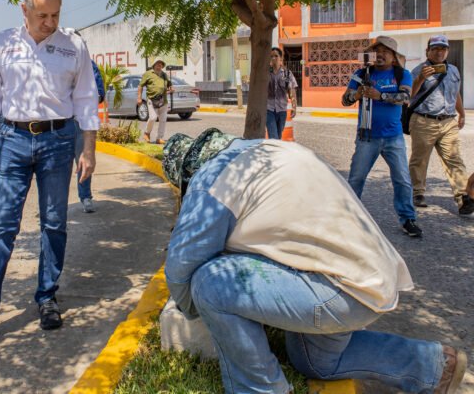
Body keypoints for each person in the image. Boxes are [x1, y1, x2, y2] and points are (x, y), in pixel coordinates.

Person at [162, 128, 468, 394]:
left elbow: (182, 265)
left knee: (210, 283)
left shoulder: (210, 179)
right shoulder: (272, 150)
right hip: (368, 283)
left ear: (190, 172)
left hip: (335, 288)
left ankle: (259, 389)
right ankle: (433, 366)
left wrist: (194, 312)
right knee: (316, 363)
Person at [0, 0, 99, 342]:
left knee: (53, 223)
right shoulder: (4, 43)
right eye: (42, 15)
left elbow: (86, 99)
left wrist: (89, 150)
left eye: (56, 14)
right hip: (12, 140)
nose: (50, 22)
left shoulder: (73, 45)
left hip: (58, 140)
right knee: (1, 226)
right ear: (24, 10)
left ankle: (47, 297)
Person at [341, 36, 422, 237]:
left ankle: (408, 219)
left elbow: (405, 98)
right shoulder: (361, 74)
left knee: (402, 179)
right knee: (356, 178)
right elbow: (345, 100)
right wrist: (357, 94)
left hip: (393, 137)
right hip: (366, 136)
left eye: (385, 51)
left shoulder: (402, 74)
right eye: (377, 51)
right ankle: (348, 218)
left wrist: (381, 96)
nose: (380, 55)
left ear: (394, 56)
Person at [408, 35, 474, 217]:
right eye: (435, 49)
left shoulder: (453, 70)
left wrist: (461, 113)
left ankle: (463, 198)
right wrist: (421, 78)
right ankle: (417, 192)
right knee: (420, 159)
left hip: (448, 122)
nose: (439, 52)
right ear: (427, 51)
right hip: (424, 121)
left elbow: (456, 94)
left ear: (447, 51)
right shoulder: (418, 70)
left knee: (454, 159)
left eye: (443, 49)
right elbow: (409, 96)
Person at [75, 59, 105, 213]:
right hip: (57, 122)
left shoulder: (88, 64)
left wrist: (93, 99)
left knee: (84, 161)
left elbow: (99, 89)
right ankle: (51, 205)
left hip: (80, 121)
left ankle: (85, 196)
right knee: (55, 165)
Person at [137, 59, 173, 144]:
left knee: (163, 120)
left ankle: (159, 138)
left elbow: (169, 84)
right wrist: (139, 98)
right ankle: (147, 133)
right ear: (154, 65)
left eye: (161, 64)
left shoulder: (164, 75)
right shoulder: (148, 74)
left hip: (163, 100)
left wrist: (171, 88)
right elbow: (140, 86)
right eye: (158, 64)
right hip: (151, 99)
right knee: (153, 117)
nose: (159, 65)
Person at [266, 47, 297, 139]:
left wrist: (294, 107)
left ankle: (274, 153)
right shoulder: (266, 73)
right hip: (269, 110)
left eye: (276, 56)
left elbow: (292, 90)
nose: (274, 58)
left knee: (278, 137)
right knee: (274, 137)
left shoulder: (287, 74)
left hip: (282, 111)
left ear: (281, 58)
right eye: (271, 56)